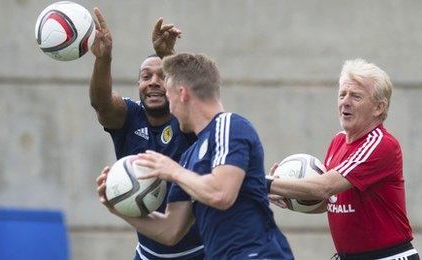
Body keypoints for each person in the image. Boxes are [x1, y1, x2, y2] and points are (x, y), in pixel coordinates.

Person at [96, 53, 294, 259]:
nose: (169, 108)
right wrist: (117, 206)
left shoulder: (229, 126)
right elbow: (170, 230)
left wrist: (173, 171)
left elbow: (221, 194)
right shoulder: (190, 156)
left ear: (182, 94)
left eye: (169, 96)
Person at [267, 59, 419, 259]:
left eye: (356, 96)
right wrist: (290, 198)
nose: (345, 102)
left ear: (379, 107)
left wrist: (262, 183)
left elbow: (323, 187)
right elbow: (330, 201)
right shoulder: (338, 141)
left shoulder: (382, 144)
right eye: (342, 94)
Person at [89, 7, 204, 260]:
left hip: (200, 251)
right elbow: (102, 104)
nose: (153, 81)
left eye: (162, 76)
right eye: (145, 76)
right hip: (148, 254)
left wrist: (169, 56)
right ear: (138, 84)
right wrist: (103, 57)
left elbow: (198, 98)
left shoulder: (186, 117)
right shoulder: (129, 116)